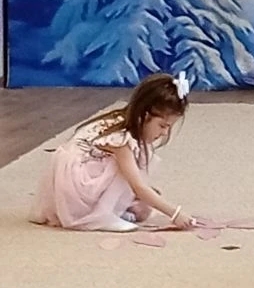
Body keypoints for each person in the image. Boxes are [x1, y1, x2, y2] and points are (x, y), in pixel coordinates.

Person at [30, 72, 196, 232]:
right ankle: (102, 215)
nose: (164, 133)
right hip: (77, 183)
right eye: (162, 126)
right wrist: (175, 213)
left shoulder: (122, 122)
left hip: (79, 179)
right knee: (127, 173)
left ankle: (110, 210)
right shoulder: (120, 140)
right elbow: (138, 186)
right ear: (144, 116)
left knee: (145, 203)